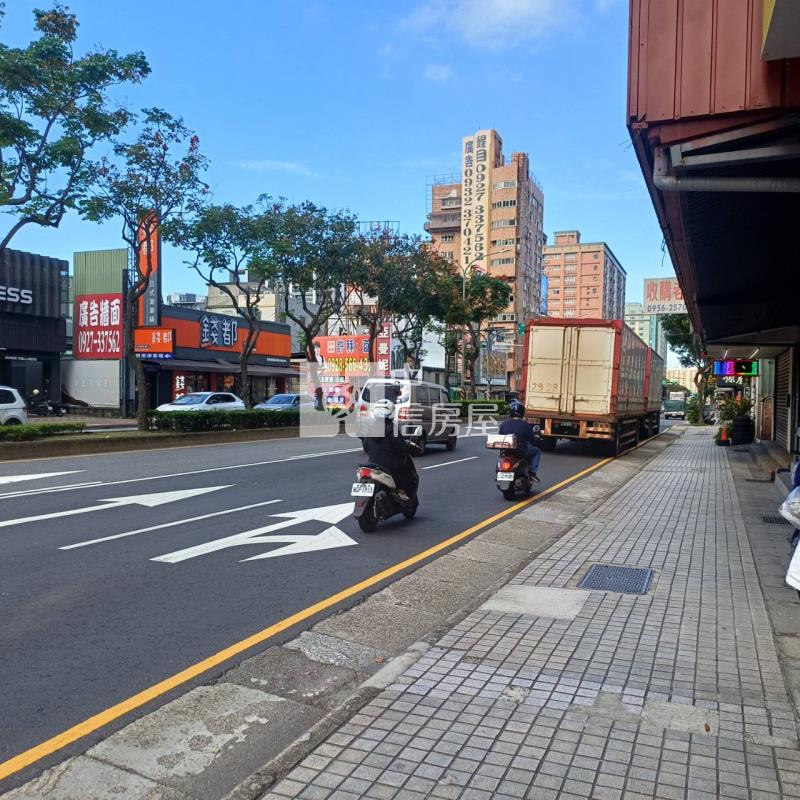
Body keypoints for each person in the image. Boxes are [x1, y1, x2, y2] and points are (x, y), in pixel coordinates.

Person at [364, 399, 418, 500]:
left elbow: (366, 446)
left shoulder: (371, 428)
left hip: (372, 464)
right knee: (405, 470)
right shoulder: (392, 429)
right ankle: (401, 491)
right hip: (390, 465)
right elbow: (401, 448)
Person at [498, 401, 541, 481]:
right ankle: (532, 472)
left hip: (506, 451)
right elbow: (532, 440)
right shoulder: (525, 425)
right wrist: (537, 438)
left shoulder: (504, 424)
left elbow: (500, 436)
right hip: (521, 450)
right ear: (522, 413)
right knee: (536, 451)